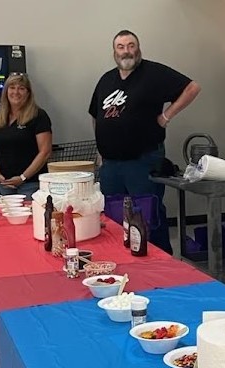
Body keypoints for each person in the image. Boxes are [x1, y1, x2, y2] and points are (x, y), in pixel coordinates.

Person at [89, 30, 201, 254]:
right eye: (121, 47)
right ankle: (121, 261)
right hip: (111, 165)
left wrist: (166, 116)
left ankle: (161, 268)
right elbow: (95, 114)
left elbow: (192, 88)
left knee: (148, 217)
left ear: (138, 48)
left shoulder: (153, 73)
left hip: (142, 160)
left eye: (131, 45)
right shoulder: (106, 79)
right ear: (114, 52)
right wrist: (101, 148)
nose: (126, 51)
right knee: (113, 219)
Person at [0, 72, 52, 199]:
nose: (16, 92)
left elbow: (45, 152)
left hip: (30, 184)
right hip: (5, 185)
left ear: (28, 93)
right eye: (12, 87)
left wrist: (23, 177)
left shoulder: (38, 116)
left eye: (21, 88)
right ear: (6, 91)